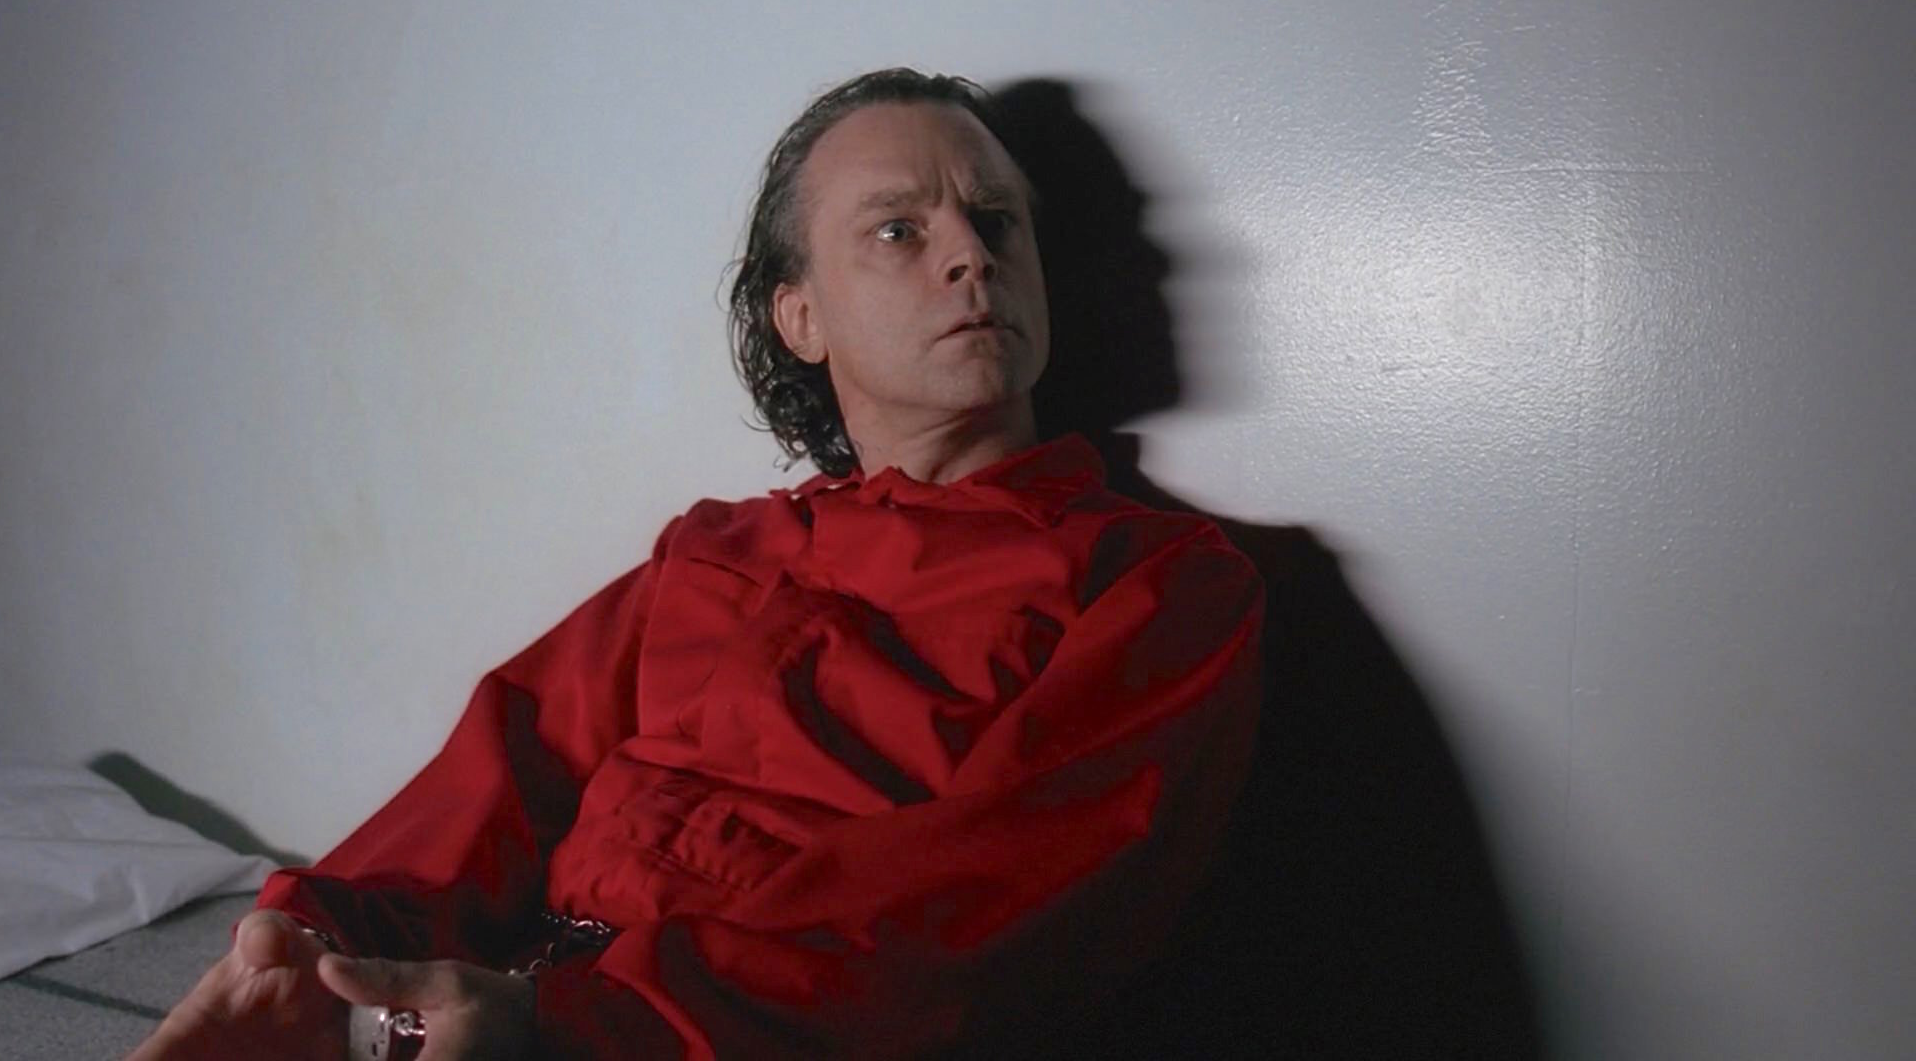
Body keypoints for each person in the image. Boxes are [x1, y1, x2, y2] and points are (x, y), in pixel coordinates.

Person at [130, 68, 1264, 1060]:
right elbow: (506, 767)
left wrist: (566, 1027)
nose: (972, 255)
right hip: (522, 998)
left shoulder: (1160, 579)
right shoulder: (718, 549)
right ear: (801, 318)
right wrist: (312, 940)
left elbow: (987, 908)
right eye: (898, 231)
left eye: (998, 221)